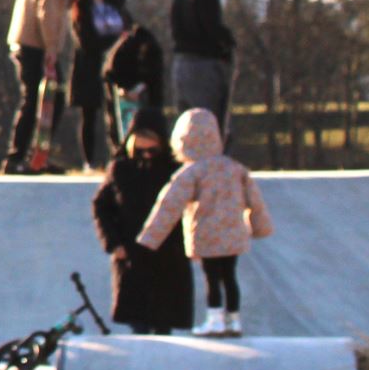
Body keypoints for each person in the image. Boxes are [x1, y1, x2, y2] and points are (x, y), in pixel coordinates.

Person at [137, 108, 273, 336]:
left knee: (212, 278)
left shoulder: (192, 172)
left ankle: (215, 319)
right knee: (230, 277)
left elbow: (169, 205)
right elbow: (255, 201)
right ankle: (234, 320)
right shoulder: (234, 168)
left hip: (207, 236)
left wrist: (150, 237)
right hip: (233, 235)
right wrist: (260, 227)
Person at [90, 107, 193, 334]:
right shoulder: (121, 169)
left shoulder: (176, 171)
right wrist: (113, 243)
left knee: (164, 322)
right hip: (131, 255)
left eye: (152, 150)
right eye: (140, 150)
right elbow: (101, 207)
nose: (146, 155)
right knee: (138, 322)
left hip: (168, 257)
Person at [6, 0, 86, 172]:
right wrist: (51, 48)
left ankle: (34, 156)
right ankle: (21, 157)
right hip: (36, 47)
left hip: (30, 44)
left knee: (43, 102)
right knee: (40, 101)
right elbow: (47, 10)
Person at [68, 0, 132, 172]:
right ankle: (90, 161)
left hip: (118, 67)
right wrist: (114, 42)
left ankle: (120, 155)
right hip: (90, 67)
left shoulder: (117, 5)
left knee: (118, 112)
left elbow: (130, 31)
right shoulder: (81, 9)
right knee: (90, 114)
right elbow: (87, 41)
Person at [168, 0, 236, 133]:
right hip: (205, 66)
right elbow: (213, 30)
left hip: (181, 64)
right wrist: (228, 44)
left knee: (187, 124)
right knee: (209, 123)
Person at [104, 20, 166, 144]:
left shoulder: (145, 49)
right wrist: (123, 88)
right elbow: (111, 73)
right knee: (122, 124)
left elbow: (154, 84)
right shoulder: (129, 48)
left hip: (134, 88)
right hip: (123, 88)